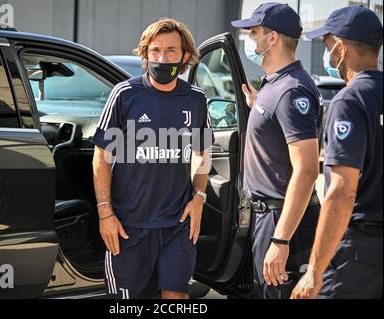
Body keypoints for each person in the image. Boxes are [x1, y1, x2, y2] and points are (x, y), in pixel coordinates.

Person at [91, 18, 213, 299]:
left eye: (171, 50)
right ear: (145, 54)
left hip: (176, 226)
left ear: (184, 56)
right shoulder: (125, 95)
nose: (162, 58)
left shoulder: (195, 99)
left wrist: (199, 197)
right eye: (155, 50)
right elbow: (102, 157)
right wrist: (105, 213)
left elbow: (203, 152)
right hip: (129, 227)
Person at [231, 2, 323, 298]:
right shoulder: (276, 86)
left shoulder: (291, 90)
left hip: (282, 220)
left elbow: (307, 170)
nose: (248, 38)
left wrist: (281, 241)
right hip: (267, 218)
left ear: (272, 38)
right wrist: (258, 106)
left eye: (253, 32)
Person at [291, 6, 383, 299]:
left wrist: (314, 273)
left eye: (328, 45)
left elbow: (342, 191)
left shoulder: (351, 100)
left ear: (341, 48)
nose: (328, 54)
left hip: (357, 252)